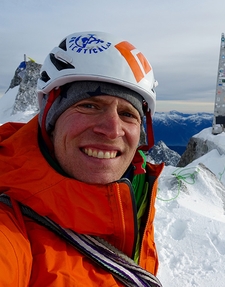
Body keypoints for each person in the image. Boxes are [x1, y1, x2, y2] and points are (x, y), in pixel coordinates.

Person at [0, 31, 164, 286]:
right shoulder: (10, 226)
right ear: (50, 119)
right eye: (89, 105)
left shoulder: (134, 203)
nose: (111, 129)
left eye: (127, 113)